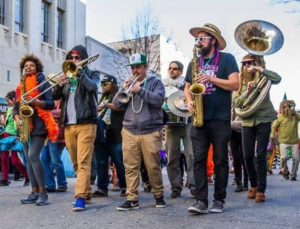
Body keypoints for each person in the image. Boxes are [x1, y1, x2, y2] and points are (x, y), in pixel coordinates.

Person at [184, 23, 239, 214]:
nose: (198, 42)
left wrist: (211, 79)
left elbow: (235, 84)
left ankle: (219, 199)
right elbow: (187, 87)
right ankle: (200, 200)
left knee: (221, 159)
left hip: (220, 117)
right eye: (196, 39)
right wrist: (190, 101)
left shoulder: (227, 59)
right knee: (197, 159)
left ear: (213, 40)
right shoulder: (193, 63)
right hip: (199, 118)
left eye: (202, 38)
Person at [113, 53, 166, 211]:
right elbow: (116, 104)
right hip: (129, 129)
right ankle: (132, 198)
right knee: (130, 166)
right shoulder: (129, 84)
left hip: (150, 130)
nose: (135, 70)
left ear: (145, 67)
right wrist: (124, 88)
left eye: (138, 67)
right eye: (133, 67)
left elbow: (158, 100)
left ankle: (158, 195)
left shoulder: (155, 82)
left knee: (153, 166)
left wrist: (139, 90)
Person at [52, 45, 100, 211]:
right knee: (75, 163)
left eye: (77, 58)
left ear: (84, 59)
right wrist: (59, 85)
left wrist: (78, 72)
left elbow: (93, 87)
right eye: (71, 58)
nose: (73, 61)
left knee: (83, 161)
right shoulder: (67, 76)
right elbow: (54, 97)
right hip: (69, 124)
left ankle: (79, 197)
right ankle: (86, 192)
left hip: (86, 122)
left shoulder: (92, 73)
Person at [233, 54, 281, 203]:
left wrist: (261, 69)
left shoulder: (264, 77)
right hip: (247, 121)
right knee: (247, 156)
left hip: (264, 119)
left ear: (256, 63)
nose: (247, 66)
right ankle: (253, 184)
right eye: (245, 63)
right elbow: (237, 103)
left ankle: (260, 189)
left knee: (260, 155)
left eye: (250, 63)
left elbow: (278, 78)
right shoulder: (241, 82)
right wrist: (247, 93)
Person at [13, 53, 58, 206]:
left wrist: (37, 102)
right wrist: (17, 117)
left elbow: (51, 104)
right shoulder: (21, 85)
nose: (28, 68)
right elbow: (16, 106)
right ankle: (34, 191)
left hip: (39, 125)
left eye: (31, 65)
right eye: (25, 66)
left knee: (33, 157)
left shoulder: (42, 82)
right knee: (27, 159)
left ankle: (43, 192)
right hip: (25, 125)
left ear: (37, 67)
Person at [163, 60, 196, 198]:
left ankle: (193, 185)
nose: (172, 71)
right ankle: (176, 187)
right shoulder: (163, 83)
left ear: (181, 71)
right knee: (171, 158)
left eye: (175, 69)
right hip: (171, 125)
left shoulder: (186, 82)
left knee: (191, 156)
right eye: (170, 68)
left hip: (187, 122)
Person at [92, 75, 126, 197]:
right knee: (101, 162)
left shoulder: (119, 95)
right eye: (101, 84)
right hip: (101, 135)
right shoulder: (102, 97)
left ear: (113, 84)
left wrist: (105, 105)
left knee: (119, 162)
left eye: (106, 83)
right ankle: (102, 188)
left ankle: (124, 187)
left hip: (115, 134)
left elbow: (120, 107)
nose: (103, 86)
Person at [0, 91, 29, 187]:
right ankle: (5, 179)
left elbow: (19, 123)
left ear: (13, 99)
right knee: (4, 159)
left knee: (14, 160)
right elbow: (8, 124)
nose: (7, 102)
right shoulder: (8, 110)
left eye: (8, 100)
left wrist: (18, 136)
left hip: (14, 137)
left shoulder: (19, 109)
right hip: (6, 136)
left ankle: (27, 176)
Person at [40, 99, 68, 192]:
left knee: (55, 160)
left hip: (56, 133)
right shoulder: (48, 98)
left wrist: (46, 112)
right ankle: (50, 185)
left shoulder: (62, 98)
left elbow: (63, 112)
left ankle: (62, 183)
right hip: (47, 133)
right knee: (43, 159)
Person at [270, 100, 300, 181]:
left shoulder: (296, 116)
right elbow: (273, 126)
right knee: (284, 157)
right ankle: (284, 171)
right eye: (289, 106)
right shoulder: (280, 117)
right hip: (283, 141)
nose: (291, 108)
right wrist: (272, 138)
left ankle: (293, 175)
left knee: (296, 159)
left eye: (293, 106)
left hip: (294, 141)